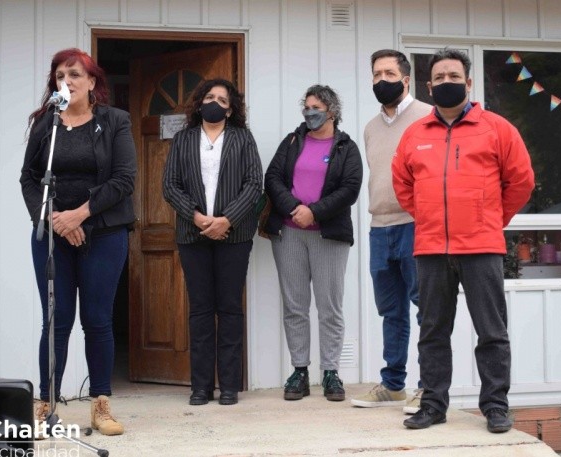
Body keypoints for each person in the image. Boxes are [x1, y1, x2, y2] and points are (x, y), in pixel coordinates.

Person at [392, 48, 534, 433]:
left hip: (482, 247)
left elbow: (521, 181)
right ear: (428, 85)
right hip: (431, 249)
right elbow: (402, 184)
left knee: (492, 331)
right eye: (439, 78)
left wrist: (490, 218)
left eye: (454, 77)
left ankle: (495, 406)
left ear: (469, 83)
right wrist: (429, 217)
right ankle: (433, 404)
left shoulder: (497, 129)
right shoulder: (414, 134)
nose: (446, 83)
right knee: (433, 331)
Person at [20, 48, 135, 436]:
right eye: (59, 76)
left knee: (97, 320)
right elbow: (30, 179)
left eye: (73, 75)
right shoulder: (45, 123)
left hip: (102, 234)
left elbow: (124, 180)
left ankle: (100, 405)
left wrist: (80, 214)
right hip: (53, 236)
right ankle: (44, 403)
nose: (65, 82)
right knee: (55, 321)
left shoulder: (115, 121)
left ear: (92, 82)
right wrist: (57, 221)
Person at [162, 78, 262, 406]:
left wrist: (226, 220)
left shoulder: (243, 139)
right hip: (193, 235)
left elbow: (253, 184)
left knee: (230, 309)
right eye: (209, 97)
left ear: (231, 109)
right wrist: (197, 217)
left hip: (234, 236)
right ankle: (200, 387)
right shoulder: (183, 139)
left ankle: (230, 386)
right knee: (201, 310)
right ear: (199, 102)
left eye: (222, 99)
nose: (214, 102)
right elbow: (170, 185)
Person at [264, 85, 363, 402]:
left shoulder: (346, 148)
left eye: (316, 107)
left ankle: (331, 373)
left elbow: (350, 188)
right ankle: (299, 371)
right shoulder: (292, 141)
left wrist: (315, 212)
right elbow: (273, 179)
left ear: (331, 111)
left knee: (329, 306)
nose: (310, 112)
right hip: (289, 233)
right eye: (306, 107)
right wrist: (296, 209)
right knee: (295, 306)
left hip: (329, 235)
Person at [351, 50, 432, 411]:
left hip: (417, 225)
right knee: (391, 311)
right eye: (376, 73)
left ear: (406, 79)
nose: (381, 79)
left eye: (389, 72)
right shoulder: (369, 128)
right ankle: (393, 384)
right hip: (379, 228)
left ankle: (429, 386)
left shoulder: (428, 117)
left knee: (425, 308)